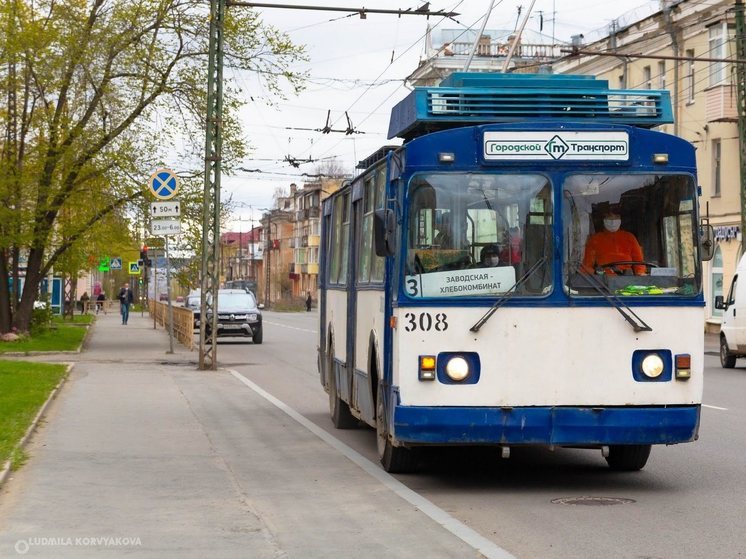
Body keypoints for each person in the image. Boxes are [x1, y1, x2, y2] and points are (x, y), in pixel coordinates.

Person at [582, 210, 645, 275]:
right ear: (603, 220)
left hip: (627, 277)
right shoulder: (595, 239)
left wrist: (640, 273)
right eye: (609, 218)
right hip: (604, 279)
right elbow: (587, 265)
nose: (612, 221)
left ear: (620, 219)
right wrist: (596, 273)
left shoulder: (629, 237)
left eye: (616, 218)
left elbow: (639, 262)